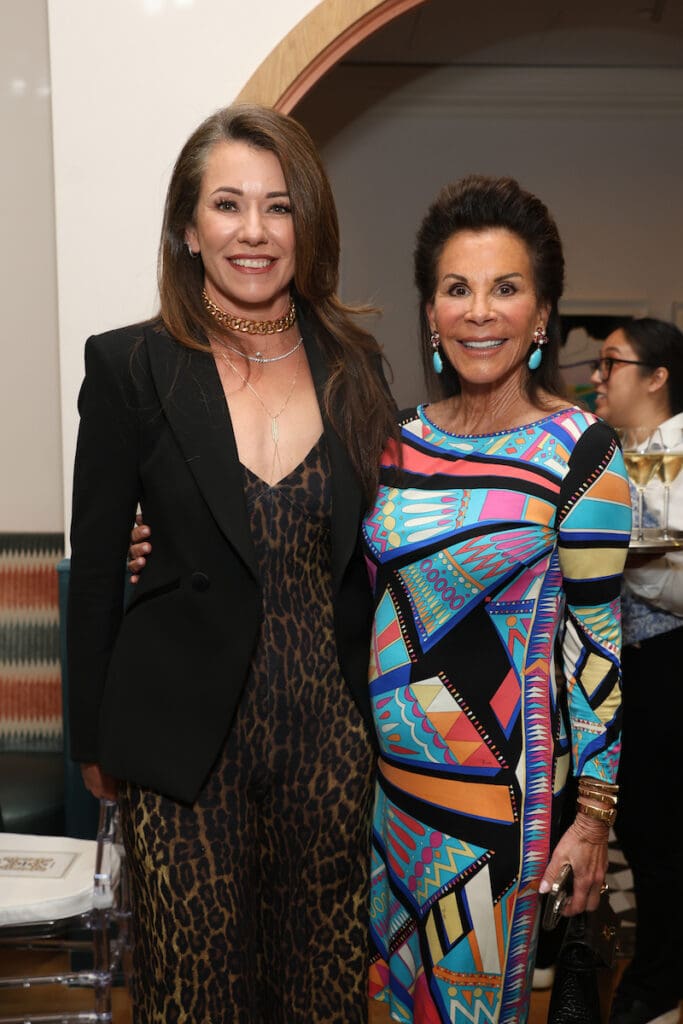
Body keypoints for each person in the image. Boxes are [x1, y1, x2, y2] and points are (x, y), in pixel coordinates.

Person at [67, 102, 398, 1024]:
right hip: (182, 745)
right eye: (227, 205)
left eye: (278, 206)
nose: (253, 232)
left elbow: (392, 541)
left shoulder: (356, 367)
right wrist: (91, 739)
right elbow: (94, 563)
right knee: (193, 993)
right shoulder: (131, 365)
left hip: (330, 739)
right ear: (187, 226)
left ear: (308, 224)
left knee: (322, 989)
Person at [360, 175, 632, 1022]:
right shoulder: (392, 439)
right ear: (431, 313)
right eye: (457, 289)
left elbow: (596, 642)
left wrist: (590, 819)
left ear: (543, 313)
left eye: (505, 288)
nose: (480, 311)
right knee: (400, 1005)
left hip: (497, 809)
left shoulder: (580, 453)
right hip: (389, 801)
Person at [590, 318, 683, 1024]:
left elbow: (650, 555)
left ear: (654, 377)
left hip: (666, 666)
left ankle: (654, 983)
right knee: (646, 835)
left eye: (610, 363)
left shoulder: (667, 454)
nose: (597, 376)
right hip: (639, 667)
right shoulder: (630, 454)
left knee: (654, 837)